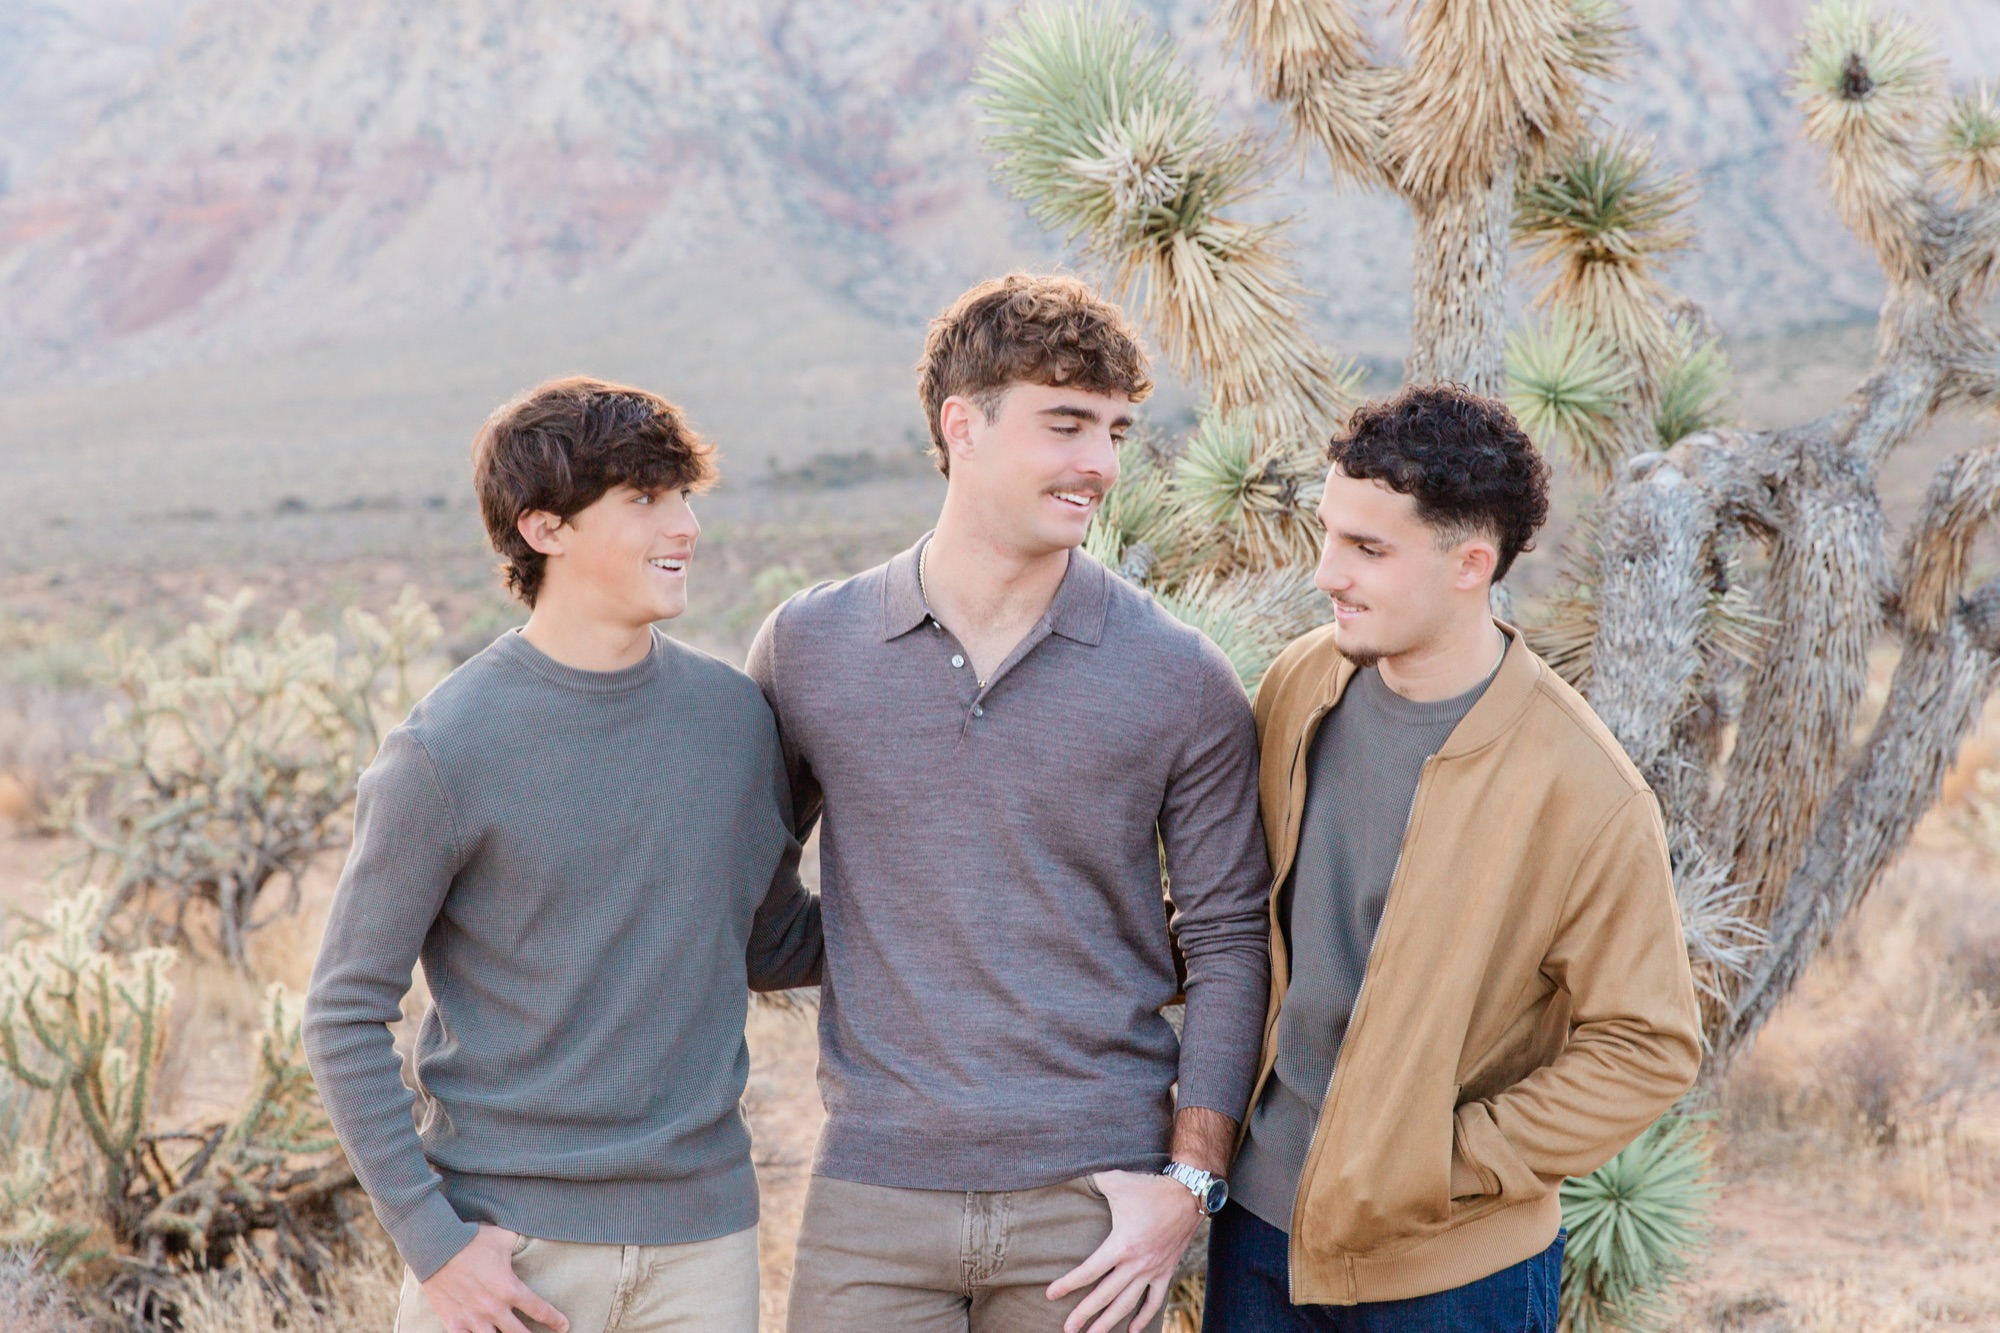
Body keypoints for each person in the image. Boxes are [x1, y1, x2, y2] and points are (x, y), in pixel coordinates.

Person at [748, 273, 1271, 1333]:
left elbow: (1227, 944)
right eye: (1066, 423)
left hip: (1094, 1208)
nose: (1102, 463)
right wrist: (890, 933)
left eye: (1117, 430)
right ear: (962, 425)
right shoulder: (810, 649)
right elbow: (746, 910)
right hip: (871, 1197)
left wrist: (1188, 1186)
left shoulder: (1178, 676)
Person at [302, 377, 821, 1333]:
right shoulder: (445, 750)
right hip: (504, 1258)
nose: (685, 527)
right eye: (643, 500)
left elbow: (770, 941)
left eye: (682, 496)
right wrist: (435, 1245)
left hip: (703, 1255)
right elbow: (342, 1012)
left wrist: (969, 887)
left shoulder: (734, 719)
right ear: (544, 528)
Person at [1203, 383, 1702, 1331]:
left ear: (1472, 562)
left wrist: (1444, 1162)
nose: (1326, 573)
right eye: (1329, 534)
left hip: (1450, 1271)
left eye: (1367, 549)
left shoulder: (1583, 787)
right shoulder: (1301, 684)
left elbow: (1648, 1044)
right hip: (1260, 1231)